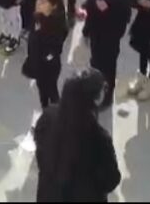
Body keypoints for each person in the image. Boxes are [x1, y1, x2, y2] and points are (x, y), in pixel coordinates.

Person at [33, 69, 122, 202]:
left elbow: (41, 157)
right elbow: (111, 180)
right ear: (96, 99)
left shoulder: (47, 118)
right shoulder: (99, 138)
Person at [23, 0, 69, 109]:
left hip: (49, 67)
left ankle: (56, 115)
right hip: (37, 63)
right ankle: (45, 112)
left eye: (43, 1)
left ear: (54, 6)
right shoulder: (37, 17)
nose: (38, 3)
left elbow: (55, 50)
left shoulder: (57, 26)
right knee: (42, 91)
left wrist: (46, 58)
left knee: (51, 91)